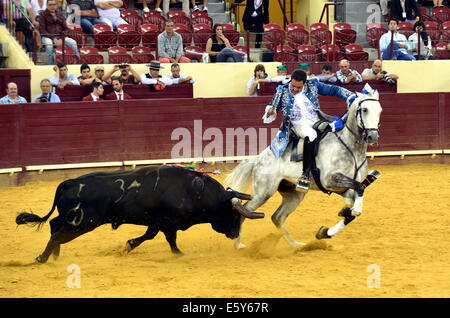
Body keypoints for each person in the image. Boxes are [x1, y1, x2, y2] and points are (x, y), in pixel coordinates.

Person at [263, 70, 352, 192]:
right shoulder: (282, 91)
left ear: (304, 83)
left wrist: (350, 96)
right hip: (297, 123)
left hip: (316, 120)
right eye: (293, 86)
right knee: (311, 135)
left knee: (336, 132)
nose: (294, 89)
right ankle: (305, 174)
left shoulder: (313, 85)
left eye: (298, 87)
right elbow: (272, 108)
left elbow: (334, 90)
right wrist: (270, 111)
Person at [39, 0, 79, 65]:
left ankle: (78, 64)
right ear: (46, 5)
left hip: (61, 36)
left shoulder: (60, 14)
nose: (52, 6)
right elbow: (42, 30)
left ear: (57, 5)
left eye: (54, 4)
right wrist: (53, 39)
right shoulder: (42, 14)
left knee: (73, 42)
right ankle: (50, 65)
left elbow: (66, 28)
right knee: (49, 44)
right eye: (50, 5)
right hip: (47, 36)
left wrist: (62, 38)